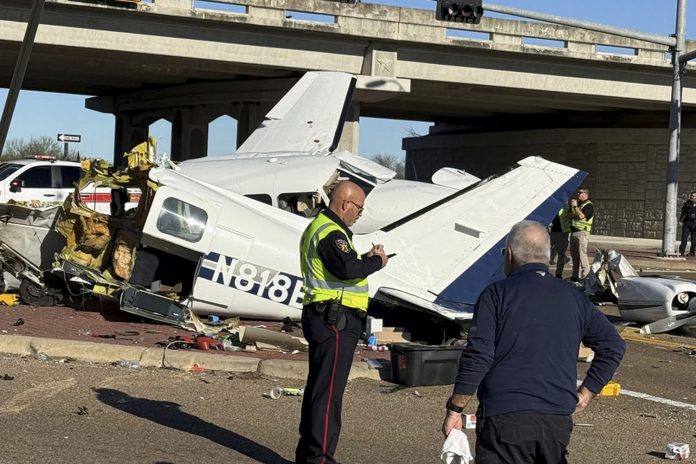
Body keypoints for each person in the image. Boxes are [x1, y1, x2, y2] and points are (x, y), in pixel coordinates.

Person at [441, 220, 625, 464]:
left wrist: (456, 406)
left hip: (505, 417)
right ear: (547, 257)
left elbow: (479, 355)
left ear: (509, 255)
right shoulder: (574, 297)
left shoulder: (496, 294)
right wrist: (587, 392)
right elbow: (613, 346)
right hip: (556, 419)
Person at [295, 180, 388, 464]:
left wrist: (364, 259)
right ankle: (320, 459)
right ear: (345, 203)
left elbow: (341, 267)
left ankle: (308, 455)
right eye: (359, 207)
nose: (360, 213)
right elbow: (348, 269)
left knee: (319, 389)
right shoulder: (330, 232)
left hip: (327, 316)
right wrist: (376, 262)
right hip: (335, 319)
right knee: (328, 396)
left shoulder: (324, 229)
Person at [569, 188, 594, 281]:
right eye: (578, 192)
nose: (578, 194)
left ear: (585, 194)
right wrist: (573, 206)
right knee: (574, 256)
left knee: (582, 256)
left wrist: (575, 207)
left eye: (580, 193)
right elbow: (572, 215)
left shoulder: (589, 205)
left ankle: (586, 278)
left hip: (582, 233)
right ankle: (575, 277)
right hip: (574, 233)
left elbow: (581, 216)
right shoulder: (581, 204)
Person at [549, 200, 572, 278]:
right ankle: (553, 272)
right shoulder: (555, 207)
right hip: (554, 232)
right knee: (552, 251)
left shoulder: (566, 207)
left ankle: (558, 273)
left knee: (560, 253)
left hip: (561, 232)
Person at [679, 191, 696, 256]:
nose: (692, 197)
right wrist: (680, 219)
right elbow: (683, 212)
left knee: (694, 239)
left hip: (694, 223)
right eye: (692, 196)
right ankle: (681, 251)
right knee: (684, 238)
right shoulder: (687, 203)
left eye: (694, 196)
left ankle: (692, 252)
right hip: (687, 222)